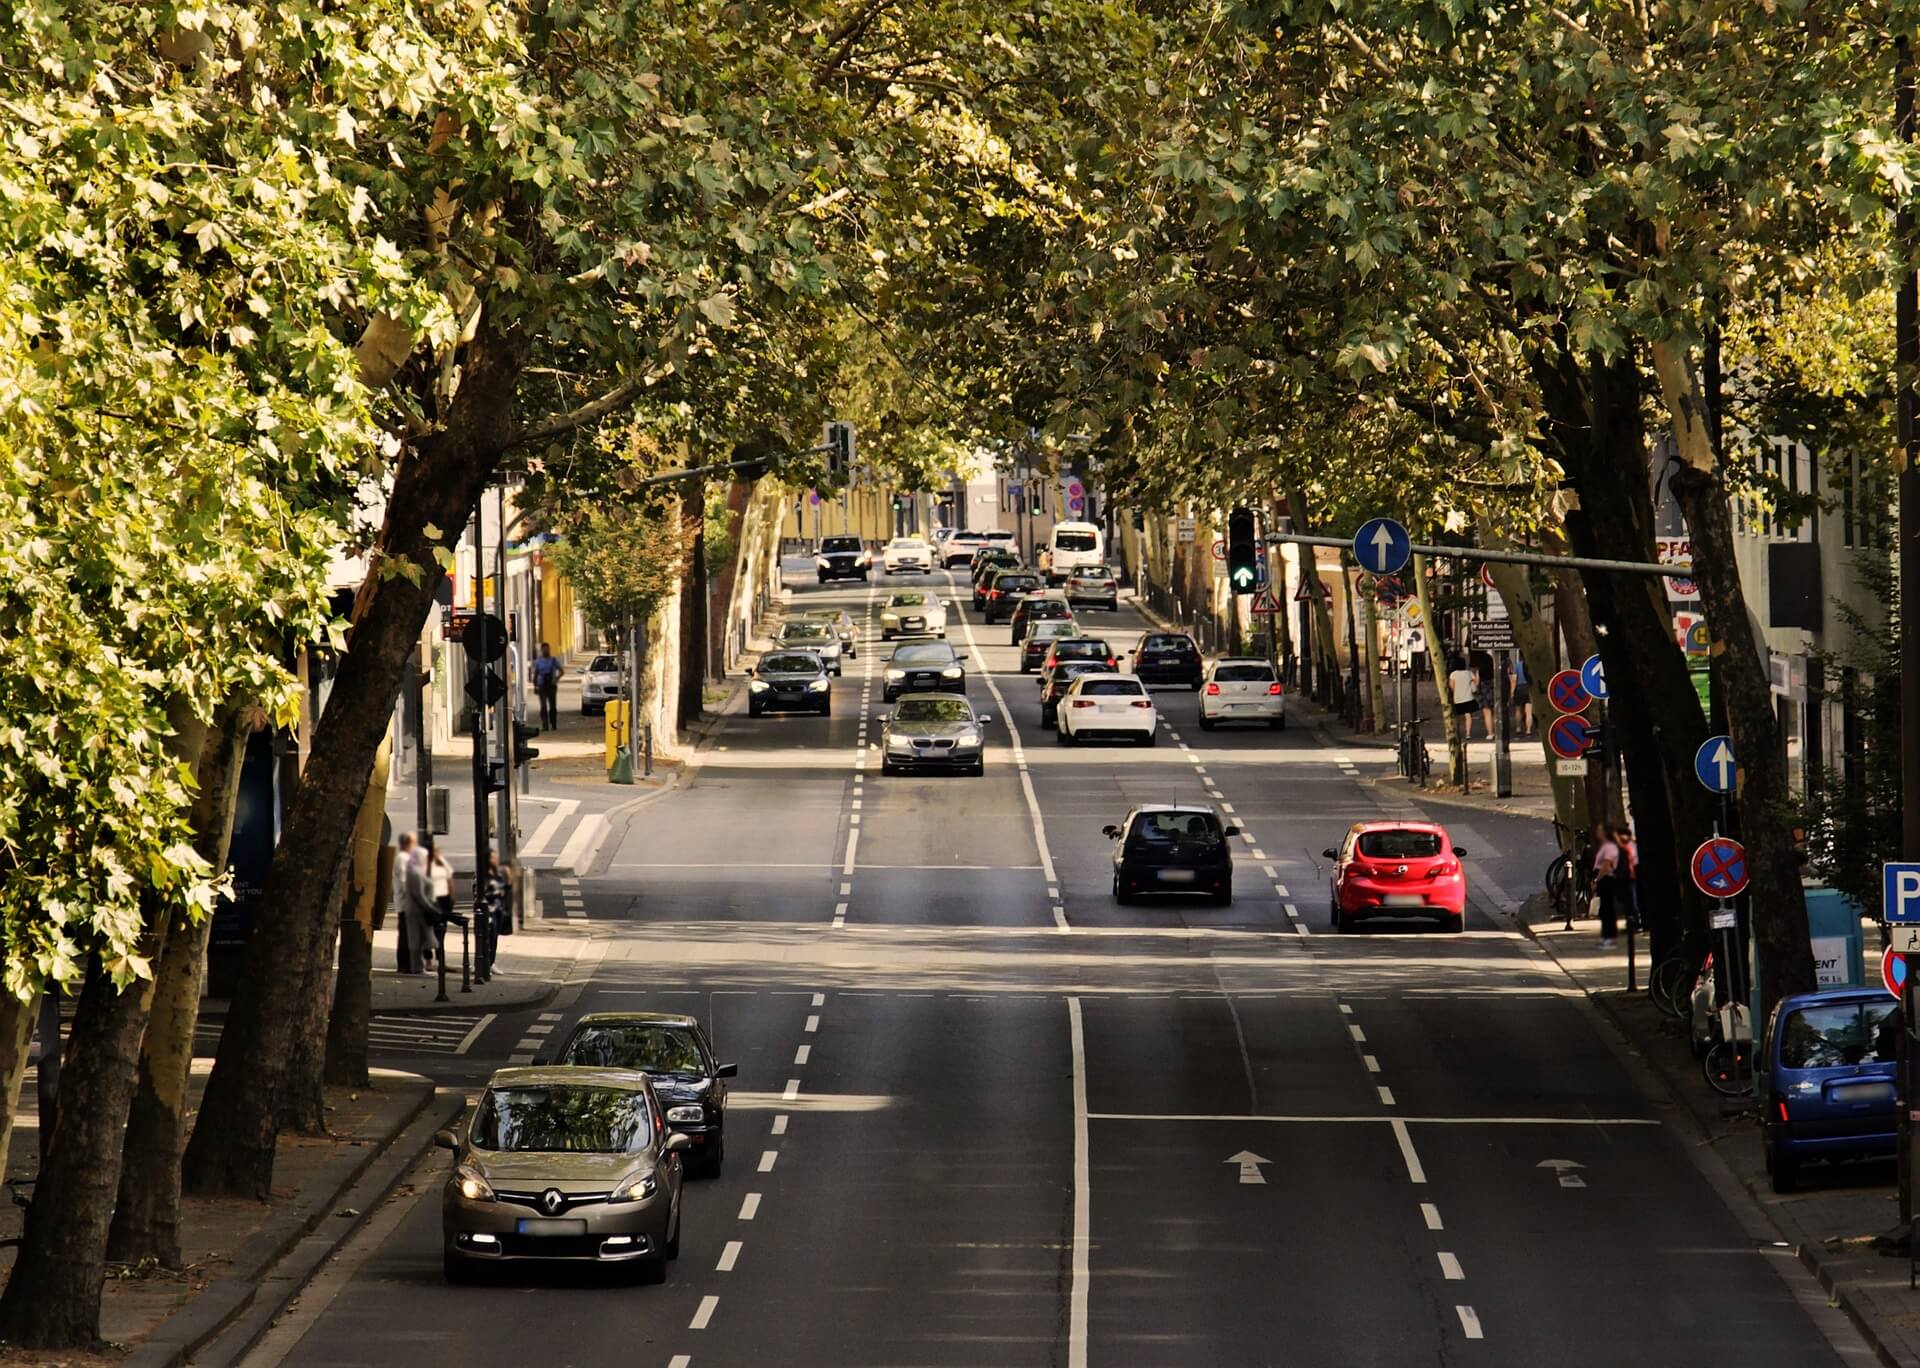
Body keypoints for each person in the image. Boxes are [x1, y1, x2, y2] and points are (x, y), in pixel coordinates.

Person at [392, 832, 422, 973]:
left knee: (406, 934)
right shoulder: (403, 859)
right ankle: (407, 965)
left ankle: (407, 965)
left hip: (406, 903)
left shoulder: (405, 858)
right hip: (407, 904)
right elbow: (406, 882)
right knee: (407, 935)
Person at [1591, 824, 1622, 948]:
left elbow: (1606, 865)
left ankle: (1610, 937)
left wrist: (1597, 879)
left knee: (1607, 908)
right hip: (1605, 880)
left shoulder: (1610, 847)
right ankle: (1606, 936)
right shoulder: (1606, 846)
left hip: (1607, 880)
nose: (1597, 832)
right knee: (1604, 908)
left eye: (1599, 830)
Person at [427, 847, 456, 963]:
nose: (437, 854)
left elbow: (449, 879)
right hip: (432, 900)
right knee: (429, 929)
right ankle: (428, 959)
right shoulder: (426, 865)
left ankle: (441, 958)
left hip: (444, 900)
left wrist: (452, 896)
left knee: (441, 930)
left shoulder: (442, 862)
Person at [1613, 823, 1640, 934]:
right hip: (1624, 876)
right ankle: (1631, 922)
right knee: (1628, 901)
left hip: (1629, 876)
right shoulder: (1627, 845)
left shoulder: (1628, 845)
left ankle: (1635, 923)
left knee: (1631, 901)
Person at [532, 643, 562, 730]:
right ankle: (545, 724)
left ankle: (553, 724)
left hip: (551, 685)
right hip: (542, 686)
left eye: (547, 649)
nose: (546, 651)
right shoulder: (538, 662)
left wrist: (556, 679)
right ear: (541, 650)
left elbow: (561, 671)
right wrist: (535, 686)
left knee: (552, 706)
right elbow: (536, 674)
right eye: (544, 649)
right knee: (543, 706)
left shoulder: (553, 660)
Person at [1447, 655, 1478, 739]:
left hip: (1457, 698)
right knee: (1468, 716)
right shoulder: (1469, 673)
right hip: (1468, 698)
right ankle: (1468, 733)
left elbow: (1451, 686)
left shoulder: (1453, 674)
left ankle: (1456, 732)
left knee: (1457, 717)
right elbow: (1475, 683)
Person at [1511, 654, 1532, 733]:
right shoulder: (1531, 666)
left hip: (1519, 688)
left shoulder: (1517, 666)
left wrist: (1512, 692)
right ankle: (1528, 730)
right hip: (1529, 688)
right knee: (1529, 711)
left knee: (1518, 709)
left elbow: (1514, 679)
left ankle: (1518, 728)